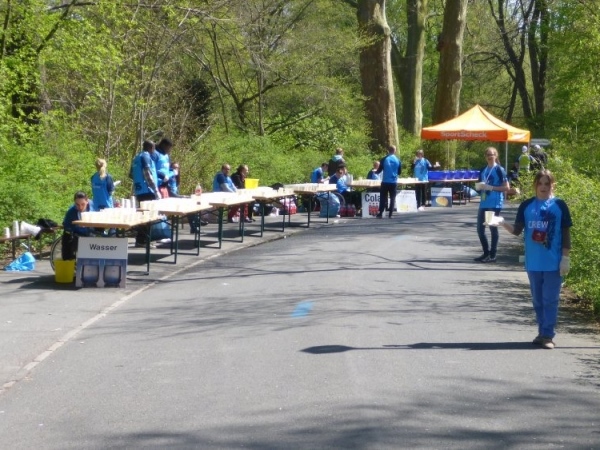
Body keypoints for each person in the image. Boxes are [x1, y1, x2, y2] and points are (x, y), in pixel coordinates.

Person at [489, 170, 572, 349]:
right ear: (535, 185)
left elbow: (566, 233)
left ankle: (548, 336)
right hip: (533, 262)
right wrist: (501, 223)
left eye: (547, 184)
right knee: (538, 301)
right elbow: (517, 230)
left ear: (552, 185)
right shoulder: (526, 206)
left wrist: (565, 258)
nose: (543, 187)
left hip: (553, 262)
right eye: (540, 183)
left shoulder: (559, 205)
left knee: (550, 300)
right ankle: (542, 333)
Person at [474, 147, 510, 262]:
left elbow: (506, 187)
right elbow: (481, 184)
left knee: (492, 227)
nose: (490, 157)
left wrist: (491, 188)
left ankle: (493, 255)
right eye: (488, 155)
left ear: (496, 156)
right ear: (485, 157)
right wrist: (479, 187)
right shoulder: (483, 170)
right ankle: (486, 253)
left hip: (494, 202)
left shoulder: (499, 169)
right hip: (484, 202)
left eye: (492, 154)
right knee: (480, 229)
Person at [130, 140, 161, 247]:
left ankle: (140, 239)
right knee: (148, 216)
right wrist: (156, 190)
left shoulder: (136, 158)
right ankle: (143, 240)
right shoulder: (146, 157)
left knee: (142, 215)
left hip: (139, 190)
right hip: (147, 191)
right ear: (151, 148)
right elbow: (148, 175)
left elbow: (131, 174)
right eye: (154, 148)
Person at [61, 191, 94, 260]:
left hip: (91, 233)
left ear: (87, 202)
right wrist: (75, 228)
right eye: (77, 204)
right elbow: (66, 225)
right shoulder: (71, 211)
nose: (80, 207)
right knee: (67, 237)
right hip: (77, 234)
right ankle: (69, 260)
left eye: (83, 204)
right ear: (74, 203)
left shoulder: (93, 208)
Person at [375, 145, 401, 219]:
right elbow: (399, 172)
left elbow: (379, 170)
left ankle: (380, 213)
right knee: (392, 198)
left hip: (385, 181)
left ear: (388, 150)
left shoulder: (384, 159)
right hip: (393, 181)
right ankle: (391, 214)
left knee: (383, 197)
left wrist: (375, 172)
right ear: (395, 151)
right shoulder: (398, 160)